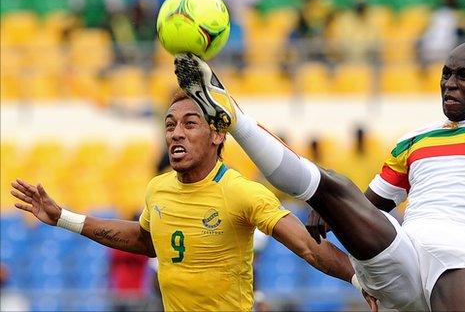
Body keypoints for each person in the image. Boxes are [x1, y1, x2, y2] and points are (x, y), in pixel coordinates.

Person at [172, 40, 465, 311]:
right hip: (404, 252)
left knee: (451, 257)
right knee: (334, 185)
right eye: (446, 75)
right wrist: (329, 210)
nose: (450, 84)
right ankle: (232, 114)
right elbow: (370, 205)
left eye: (463, 75)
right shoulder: (412, 140)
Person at [10, 91, 362, 311]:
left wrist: (362, 282)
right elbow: (147, 241)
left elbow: (309, 248)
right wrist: (63, 218)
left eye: (190, 123)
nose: (176, 132)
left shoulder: (242, 192)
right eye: (170, 124)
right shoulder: (158, 189)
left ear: (217, 134)